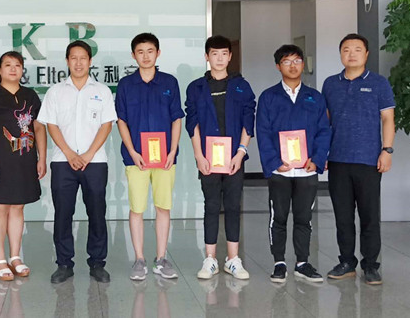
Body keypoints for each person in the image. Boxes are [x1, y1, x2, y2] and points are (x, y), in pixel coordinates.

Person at [38, 41, 117, 284]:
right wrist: (69, 153)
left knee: (97, 212)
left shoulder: (102, 91)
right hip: (63, 162)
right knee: (63, 213)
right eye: (74, 58)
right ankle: (64, 264)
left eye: (83, 58)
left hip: (95, 162)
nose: (79, 62)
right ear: (67, 61)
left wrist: (89, 154)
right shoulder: (55, 92)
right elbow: (51, 125)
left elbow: (107, 125)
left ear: (90, 61)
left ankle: (97, 263)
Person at [322, 34, 395, 285]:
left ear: (366, 54)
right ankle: (346, 262)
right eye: (346, 49)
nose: (351, 54)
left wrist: (387, 150)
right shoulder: (330, 84)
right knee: (342, 216)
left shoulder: (378, 83)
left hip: (368, 160)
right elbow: (325, 121)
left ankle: (371, 265)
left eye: (357, 49)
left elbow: (388, 118)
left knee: (369, 215)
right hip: (338, 159)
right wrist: (322, 153)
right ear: (340, 54)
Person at [256, 44, 331, 284]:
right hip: (280, 171)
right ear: (278, 66)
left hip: (307, 170)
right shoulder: (268, 97)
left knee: (303, 218)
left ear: (303, 65)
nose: (293, 65)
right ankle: (279, 263)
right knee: (278, 217)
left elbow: (324, 130)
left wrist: (317, 159)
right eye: (287, 61)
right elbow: (263, 132)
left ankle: (302, 263)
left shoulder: (314, 97)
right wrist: (274, 162)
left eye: (297, 61)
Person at [185, 35, 255, 280]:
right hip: (208, 158)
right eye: (214, 54)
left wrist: (241, 152)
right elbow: (192, 122)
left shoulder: (241, 86)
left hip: (235, 157)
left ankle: (233, 259)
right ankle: (210, 259)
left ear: (230, 56)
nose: (219, 58)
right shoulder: (196, 87)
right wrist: (199, 155)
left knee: (233, 206)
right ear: (207, 56)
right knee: (212, 206)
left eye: (224, 53)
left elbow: (248, 119)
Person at [115, 32, 184, 281]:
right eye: (140, 52)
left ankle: (161, 258)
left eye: (150, 51)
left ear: (158, 53)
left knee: (163, 206)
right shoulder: (126, 85)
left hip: (165, 158)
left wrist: (173, 150)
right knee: (137, 208)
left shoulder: (169, 83)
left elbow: (176, 118)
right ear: (133, 55)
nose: (145, 56)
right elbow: (121, 121)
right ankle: (139, 259)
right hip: (136, 159)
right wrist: (133, 151)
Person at [0, 51, 47, 281]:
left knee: (18, 208)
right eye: (8, 65)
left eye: (17, 65)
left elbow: (38, 127)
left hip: (25, 162)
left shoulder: (30, 95)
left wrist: (42, 158)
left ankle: (15, 257)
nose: (13, 69)